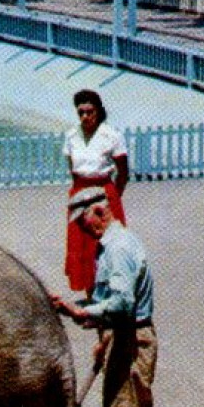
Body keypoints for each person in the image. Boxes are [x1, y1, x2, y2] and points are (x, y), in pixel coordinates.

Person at [51, 187, 163, 407]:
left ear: (100, 212)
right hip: (126, 333)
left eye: (85, 223)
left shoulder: (117, 248)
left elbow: (122, 303)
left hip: (130, 336)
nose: (84, 231)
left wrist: (83, 313)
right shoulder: (121, 243)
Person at [62, 90, 128, 295]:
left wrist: (112, 199)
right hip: (80, 193)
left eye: (89, 112)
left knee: (104, 246)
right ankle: (91, 298)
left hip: (104, 193)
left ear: (98, 111)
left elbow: (123, 173)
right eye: (80, 112)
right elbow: (73, 170)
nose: (85, 117)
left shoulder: (112, 136)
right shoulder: (71, 136)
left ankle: (109, 298)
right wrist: (79, 197)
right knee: (82, 247)